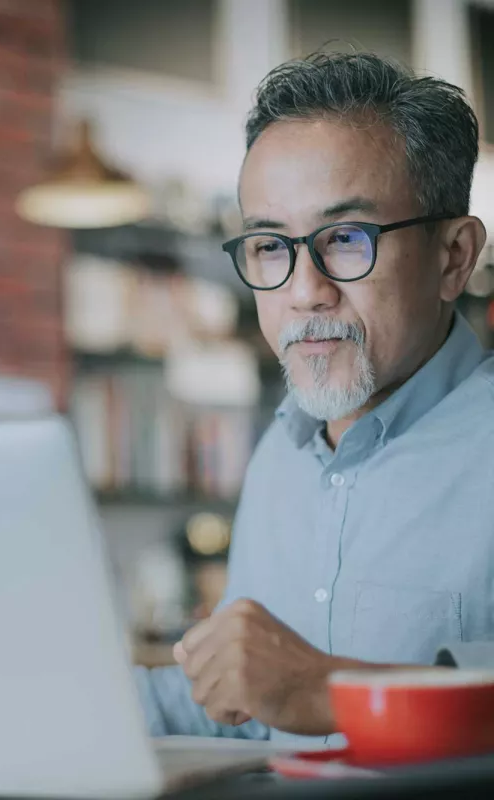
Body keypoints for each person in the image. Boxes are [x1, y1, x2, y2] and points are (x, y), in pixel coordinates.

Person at [136, 51, 494, 747]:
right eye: (271, 246)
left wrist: (331, 693)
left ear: (453, 257)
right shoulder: (280, 455)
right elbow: (243, 709)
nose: (304, 292)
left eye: (347, 238)